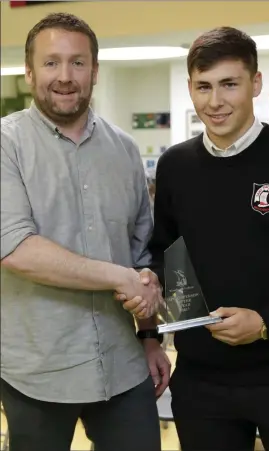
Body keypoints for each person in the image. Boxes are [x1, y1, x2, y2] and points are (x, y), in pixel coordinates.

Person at [0, 13, 170, 451]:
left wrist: (150, 336)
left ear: (95, 71)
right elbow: (16, 249)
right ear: (30, 71)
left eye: (78, 63)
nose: (65, 76)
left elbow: (141, 257)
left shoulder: (125, 150)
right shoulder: (6, 145)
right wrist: (121, 278)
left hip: (123, 365)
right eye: (52, 62)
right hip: (37, 372)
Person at [140, 27, 269, 450]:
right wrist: (150, 286)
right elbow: (165, 254)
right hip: (203, 382)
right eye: (203, 86)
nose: (215, 101)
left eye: (229, 84)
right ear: (190, 88)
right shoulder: (175, 166)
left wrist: (266, 324)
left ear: (255, 83)